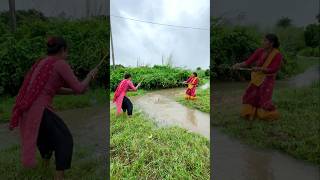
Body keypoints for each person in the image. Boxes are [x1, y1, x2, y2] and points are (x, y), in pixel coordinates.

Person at [9, 36, 100, 180]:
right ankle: (59, 177)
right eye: (67, 52)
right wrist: (89, 76)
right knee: (64, 140)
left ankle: (43, 171)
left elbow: (52, 88)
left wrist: (74, 91)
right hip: (39, 110)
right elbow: (79, 88)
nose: (67, 55)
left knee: (45, 140)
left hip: (27, 110)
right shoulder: (60, 64)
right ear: (63, 50)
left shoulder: (42, 62)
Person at [232, 33, 283, 121]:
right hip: (257, 77)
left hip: (267, 79)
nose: (262, 42)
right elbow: (248, 62)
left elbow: (274, 69)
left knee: (264, 98)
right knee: (250, 94)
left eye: (265, 41)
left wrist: (260, 68)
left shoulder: (277, 54)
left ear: (271, 43)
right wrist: (238, 65)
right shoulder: (260, 51)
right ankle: (250, 114)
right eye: (263, 40)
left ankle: (266, 115)